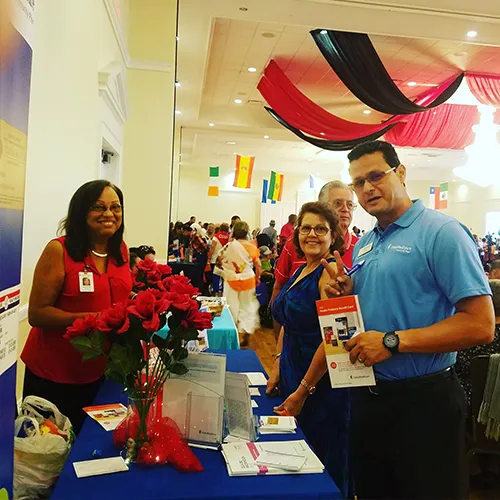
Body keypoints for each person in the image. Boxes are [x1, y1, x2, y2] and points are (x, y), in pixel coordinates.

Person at [326, 140, 494, 499]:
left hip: (424, 403)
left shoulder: (442, 233)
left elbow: (481, 324)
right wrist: (345, 294)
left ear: (400, 172)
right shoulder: (367, 242)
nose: (368, 188)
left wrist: (392, 341)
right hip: (370, 398)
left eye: (376, 176)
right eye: (359, 182)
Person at [21, 180, 132, 434]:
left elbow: (117, 293)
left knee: (92, 445)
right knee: (55, 453)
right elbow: (37, 314)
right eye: (98, 207)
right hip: (55, 374)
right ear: (81, 212)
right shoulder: (58, 250)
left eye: (115, 207)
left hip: (103, 371)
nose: (108, 214)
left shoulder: (121, 251)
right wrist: (93, 318)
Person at [268, 202, 349, 497]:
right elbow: (288, 322)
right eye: (306, 228)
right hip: (293, 371)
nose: (312, 234)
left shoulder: (331, 275)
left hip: (319, 385)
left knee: (319, 469)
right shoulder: (302, 269)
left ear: (333, 236)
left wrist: (303, 390)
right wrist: (277, 363)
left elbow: (335, 342)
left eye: (320, 229)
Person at [272, 180, 359, 303]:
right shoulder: (298, 242)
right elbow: (279, 285)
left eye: (350, 205)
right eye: (338, 203)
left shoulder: (361, 247)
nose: (345, 209)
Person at [217, 221, 261, 347]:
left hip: (231, 280)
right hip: (248, 279)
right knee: (247, 306)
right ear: (247, 232)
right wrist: (257, 278)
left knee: (231, 307)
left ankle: (233, 331)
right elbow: (258, 265)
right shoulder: (251, 247)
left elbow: (220, 259)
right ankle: (246, 331)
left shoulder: (228, 246)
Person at [208, 223, 230, 295]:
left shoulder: (216, 237)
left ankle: (216, 291)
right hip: (225, 260)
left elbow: (212, 248)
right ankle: (224, 291)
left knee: (216, 276)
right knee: (224, 277)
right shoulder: (229, 238)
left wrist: (209, 257)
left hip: (215, 259)